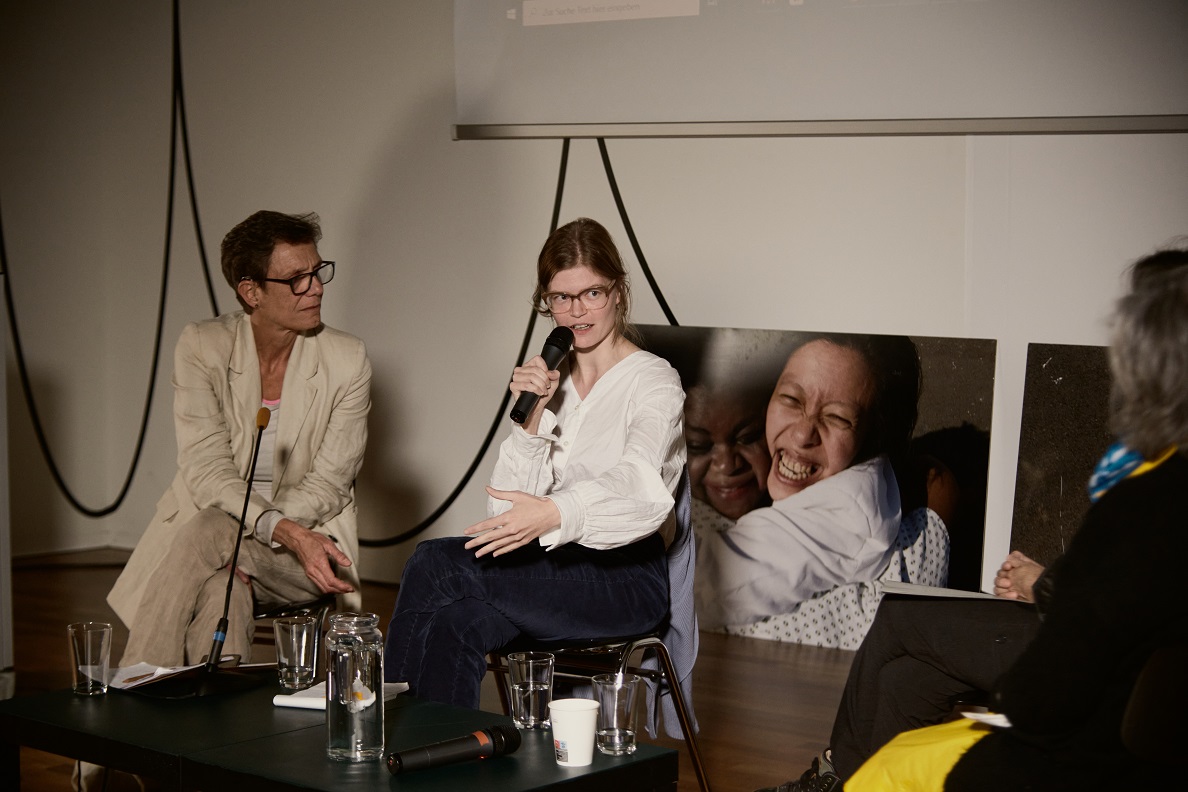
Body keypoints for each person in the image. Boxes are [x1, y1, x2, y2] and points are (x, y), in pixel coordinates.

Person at [832, 245, 1188, 791]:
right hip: (1115, 720)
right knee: (907, 680)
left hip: (1086, 747)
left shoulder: (1147, 501)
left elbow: (1050, 689)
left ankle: (834, 773)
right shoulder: (1150, 489)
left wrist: (1042, 587)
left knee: (899, 619)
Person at [382, 217, 686, 713]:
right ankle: (439, 752)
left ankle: (379, 723)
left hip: (625, 581)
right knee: (457, 623)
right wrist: (532, 421)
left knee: (433, 562)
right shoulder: (549, 383)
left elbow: (641, 484)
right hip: (553, 572)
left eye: (591, 293)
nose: (576, 311)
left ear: (618, 291)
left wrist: (555, 511)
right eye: (561, 297)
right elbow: (505, 517)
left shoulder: (653, 381)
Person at [108, 210, 371, 669]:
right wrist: (270, 528)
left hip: (307, 551)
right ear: (251, 292)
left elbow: (330, 484)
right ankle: (218, 702)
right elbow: (207, 470)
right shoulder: (202, 346)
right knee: (221, 586)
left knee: (211, 530)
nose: (316, 288)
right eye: (297, 279)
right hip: (225, 544)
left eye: (318, 271)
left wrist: (280, 534)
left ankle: (135, 682)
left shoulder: (347, 359)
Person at [695, 332, 950, 649]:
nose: (803, 435)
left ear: (873, 437)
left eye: (836, 418)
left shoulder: (840, 512)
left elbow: (703, 588)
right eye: (791, 400)